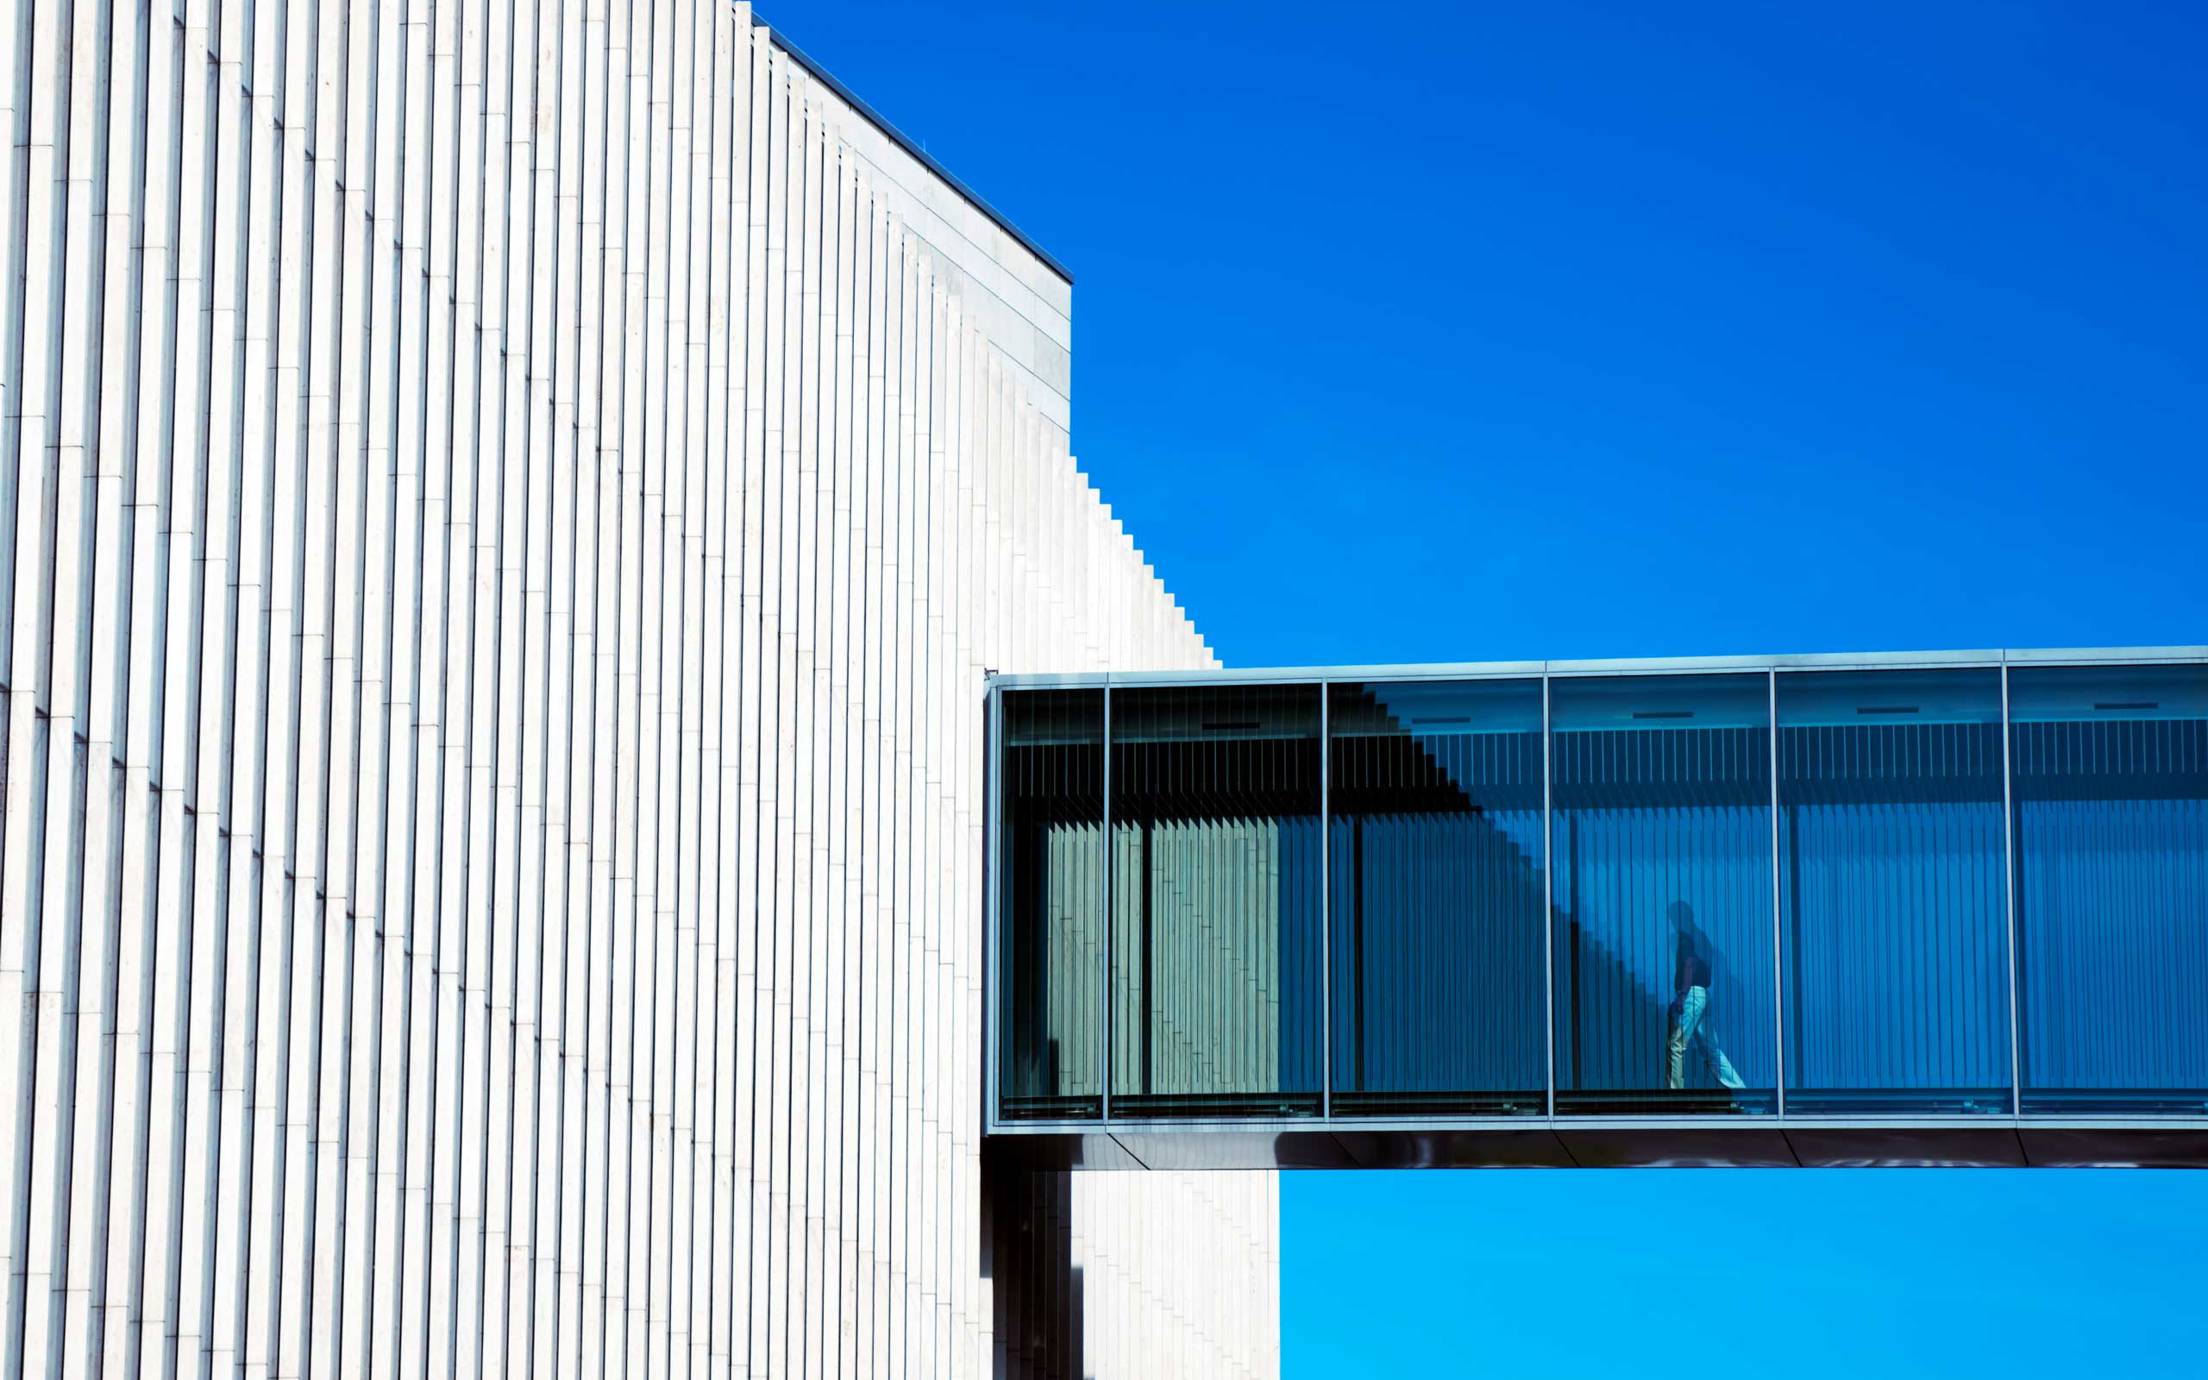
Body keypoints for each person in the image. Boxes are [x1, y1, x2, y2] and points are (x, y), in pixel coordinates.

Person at [1666, 901, 1745, 1092]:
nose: (1672, 922)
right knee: (1710, 1049)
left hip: (1692, 994)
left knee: (1676, 1044)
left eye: (1674, 918)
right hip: (1702, 995)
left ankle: (1674, 1094)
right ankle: (1741, 1089)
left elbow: (1690, 963)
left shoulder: (1685, 938)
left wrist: (1682, 995)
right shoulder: (1702, 938)